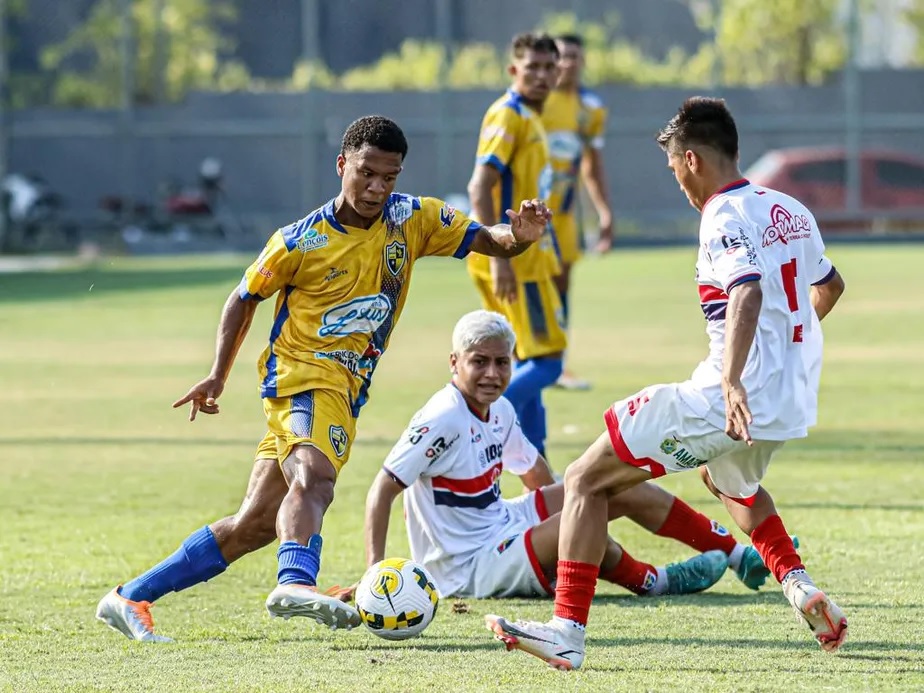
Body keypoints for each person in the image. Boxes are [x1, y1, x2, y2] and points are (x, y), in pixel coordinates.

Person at [95, 115, 554, 643]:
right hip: (300, 378)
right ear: (342, 166)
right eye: (366, 174)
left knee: (256, 524)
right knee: (315, 479)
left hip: (345, 390)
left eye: (390, 177)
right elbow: (243, 298)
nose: (377, 188)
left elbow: (487, 239)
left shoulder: (413, 219)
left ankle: (130, 596)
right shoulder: (298, 241)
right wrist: (217, 375)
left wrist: (517, 237)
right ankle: (295, 582)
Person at [484, 97, 848, 670]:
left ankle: (565, 632)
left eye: (675, 165)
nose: (676, 177)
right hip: (785, 402)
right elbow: (830, 287)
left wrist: (731, 382)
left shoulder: (722, 216)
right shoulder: (789, 209)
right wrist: (781, 352)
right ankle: (799, 585)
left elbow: (747, 290)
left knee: (584, 479)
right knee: (732, 483)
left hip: (728, 397)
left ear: (695, 159)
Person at [361, 309, 784, 602]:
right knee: (584, 516)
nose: (492, 373)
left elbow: (534, 473)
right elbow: (382, 490)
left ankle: (736, 554)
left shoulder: (501, 409)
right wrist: (374, 575)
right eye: (479, 362)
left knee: (609, 484)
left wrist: (568, 509)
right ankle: (653, 582)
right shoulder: (441, 417)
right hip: (467, 567)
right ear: (455, 363)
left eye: (502, 363)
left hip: (500, 524)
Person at [467, 32, 564, 459]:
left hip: (525, 257)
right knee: (548, 362)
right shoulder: (508, 116)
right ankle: (475, 415)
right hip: (515, 260)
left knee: (528, 360)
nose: (541, 76)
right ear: (513, 70)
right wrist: (499, 256)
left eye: (549, 68)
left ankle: (536, 468)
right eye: (532, 68)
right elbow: (480, 185)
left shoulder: (531, 115)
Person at [542, 34, 615, 391]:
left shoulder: (590, 108)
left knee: (561, 285)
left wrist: (604, 211)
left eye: (575, 57)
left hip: (565, 215)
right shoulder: (535, 101)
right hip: (529, 212)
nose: (568, 63)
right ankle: (520, 358)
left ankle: (557, 364)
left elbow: (591, 164)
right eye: (563, 56)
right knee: (525, 284)